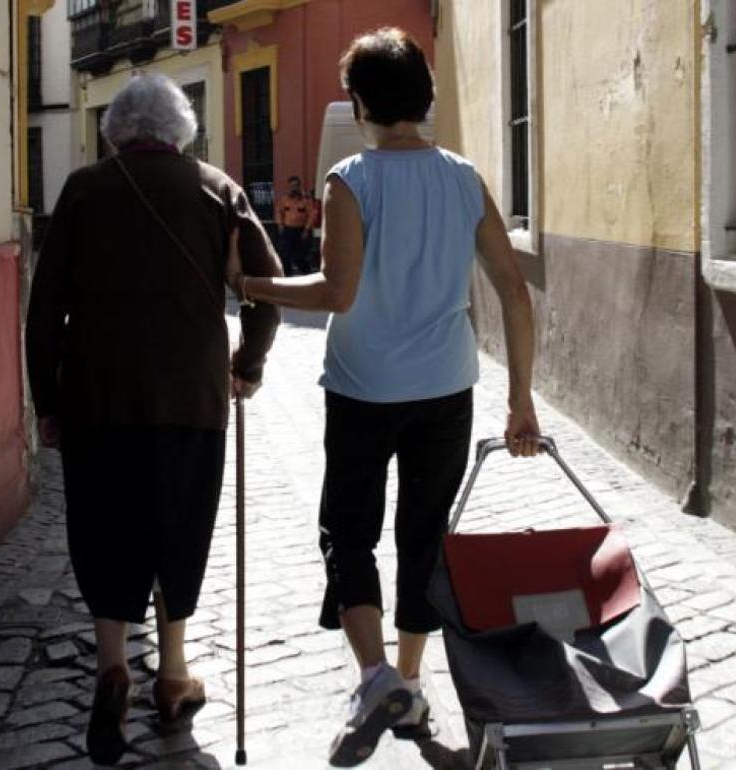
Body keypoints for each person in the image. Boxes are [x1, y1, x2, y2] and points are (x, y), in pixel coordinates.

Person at [226, 28, 541, 766]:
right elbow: (515, 293)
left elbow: (337, 289)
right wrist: (520, 399)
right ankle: (406, 677)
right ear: (424, 99)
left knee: (348, 529)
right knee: (424, 535)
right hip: (445, 386)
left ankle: (374, 679)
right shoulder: (464, 177)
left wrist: (252, 286)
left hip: (366, 388)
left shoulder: (351, 179)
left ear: (360, 102)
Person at [26, 74, 282, 765]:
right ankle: (172, 673)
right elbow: (268, 287)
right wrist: (248, 364)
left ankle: (113, 663)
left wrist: (47, 401)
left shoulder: (82, 191)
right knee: (180, 522)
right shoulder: (218, 188)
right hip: (189, 400)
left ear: (116, 132)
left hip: (97, 398)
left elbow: (44, 309)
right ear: (180, 130)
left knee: (105, 526)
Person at [278, 174, 315, 275]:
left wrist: (306, 230)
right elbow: (279, 212)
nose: (293, 188)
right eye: (291, 186)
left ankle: (308, 275)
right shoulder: (284, 199)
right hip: (288, 230)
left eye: (295, 186)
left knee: (300, 257)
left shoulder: (306, 199)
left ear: (299, 186)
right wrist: (280, 225)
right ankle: (287, 276)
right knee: (284, 256)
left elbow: (312, 215)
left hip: (301, 231)